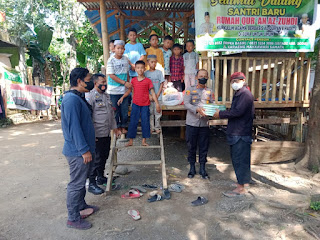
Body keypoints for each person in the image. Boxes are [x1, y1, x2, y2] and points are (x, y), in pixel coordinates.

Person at [61, 67, 98, 230]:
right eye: (89, 78)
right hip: (77, 152)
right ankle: (73, 218)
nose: (91, 81)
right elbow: (74, 128)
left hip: (83, 149)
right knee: (76, 184)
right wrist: (84, 150)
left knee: (82, 181)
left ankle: (81, 207)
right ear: (79, 81)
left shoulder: (79, 97)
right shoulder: (71, 100)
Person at [213, 72, 254, 197]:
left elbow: (237, 112)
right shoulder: (240, 93)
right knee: (242, 159)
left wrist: (220, 114)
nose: (235, 83)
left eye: (237, 80)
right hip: (239, 131)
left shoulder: (245, 94)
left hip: (240, 132)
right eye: (233, 81)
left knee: (239, 160)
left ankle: (240, 188)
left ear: (243, 80)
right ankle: (243, 183)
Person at [87, 74, 120, 195]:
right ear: (95, 83)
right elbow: (88, 117)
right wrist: (91, 134)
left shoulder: (106, 96)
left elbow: (111, 114)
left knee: (105, 155)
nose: (104, 84)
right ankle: (91, 183)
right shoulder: (91, 96)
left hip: (106, 132)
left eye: (105, 82)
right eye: (102, 82)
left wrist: (115, 128)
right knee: (96, 159)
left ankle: (100, 177)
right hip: (96, 133)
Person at [184, 69, 214, 179]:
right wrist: (197, 109)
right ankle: (192, 168)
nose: (203, 78)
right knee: (191, 146)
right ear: (197, 77)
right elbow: (186, 103)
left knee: (204, 147)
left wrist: (211, 112)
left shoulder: (210, 91)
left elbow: (212, 104)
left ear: (207, 78)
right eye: (201, 76)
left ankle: (202, 168)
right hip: (192, 123)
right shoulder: (190, 89)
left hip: (204, 124)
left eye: (205, 76)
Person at [126, 60, 161, 147]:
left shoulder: (148, 81)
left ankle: (144, 141)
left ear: (145, 69)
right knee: (133, 122)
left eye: (142, 68)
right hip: (135, 104)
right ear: (135, 69)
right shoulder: (133, 80)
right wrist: (127, 99)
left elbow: (152, 92)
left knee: (145, 122)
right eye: (138, 68)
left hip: (145, 104)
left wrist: (157, 104)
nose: (140, 69)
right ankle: (130, 141)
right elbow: (131, 91)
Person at [106, 40, 131, 135]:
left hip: (124, 90)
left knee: (124, 111)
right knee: (115, 111)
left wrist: (128, 83)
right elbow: (111, 75)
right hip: (113, 91)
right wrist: (124, 83)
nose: (120, 50)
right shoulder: (111, 60)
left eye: (122, 48)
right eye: (118, 48)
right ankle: (116, 128)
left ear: (124, 49)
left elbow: (127, 72)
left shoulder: (125, 59)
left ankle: (123, 126)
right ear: (114, 49)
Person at [145, 55, 165, 133]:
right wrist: (149, 95)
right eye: (151, 62)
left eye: (155, 62)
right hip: (149, 97)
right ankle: (151, 127)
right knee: (150, 113)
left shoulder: (159, 73)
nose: (153, 64)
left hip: (158, 97)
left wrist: (157, 94)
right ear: (148, 63)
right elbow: (145, 86)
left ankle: (157, 127)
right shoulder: (146, 73)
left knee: (158, 112)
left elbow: (161, 84)